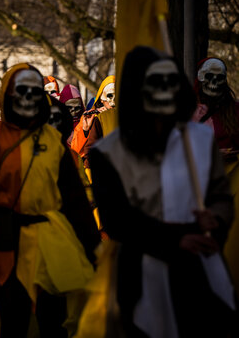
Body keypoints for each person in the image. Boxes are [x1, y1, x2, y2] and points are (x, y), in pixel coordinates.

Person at [89, 46, 236, 337]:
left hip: (199, 273)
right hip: (138, 276)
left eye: (169, 82)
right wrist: (178, 239)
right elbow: (117, 219)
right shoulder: (107, 153)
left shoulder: (201, 139)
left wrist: (215, 220)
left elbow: (220, 196)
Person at [0, 63, 99, 338]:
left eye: (34, 92)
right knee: (14, 323)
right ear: (8, 94)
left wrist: (94, 249)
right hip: (7, 245)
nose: (28, 98)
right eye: (21, 91)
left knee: (54, 323)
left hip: (52, 243)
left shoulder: (52, 139)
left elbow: (74, 201)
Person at [193, 57, 239, 304]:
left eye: (219, 77)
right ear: (200, 78)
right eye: (209, 76)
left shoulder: (234, 111)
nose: (214, 82)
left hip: (231, 186)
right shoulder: (187, 110)